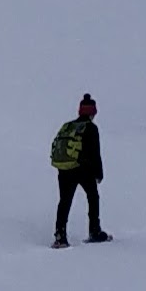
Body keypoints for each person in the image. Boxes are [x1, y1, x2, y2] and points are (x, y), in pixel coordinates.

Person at [50, 95, 109, 244]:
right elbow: (95, 153)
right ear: (92, 112)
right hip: (83, 170)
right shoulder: (91, 128)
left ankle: (60, 235)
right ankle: (94, 230)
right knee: (93, 197)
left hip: (64, 169)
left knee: (64, 201)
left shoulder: (68, 126)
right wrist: (99, 173)